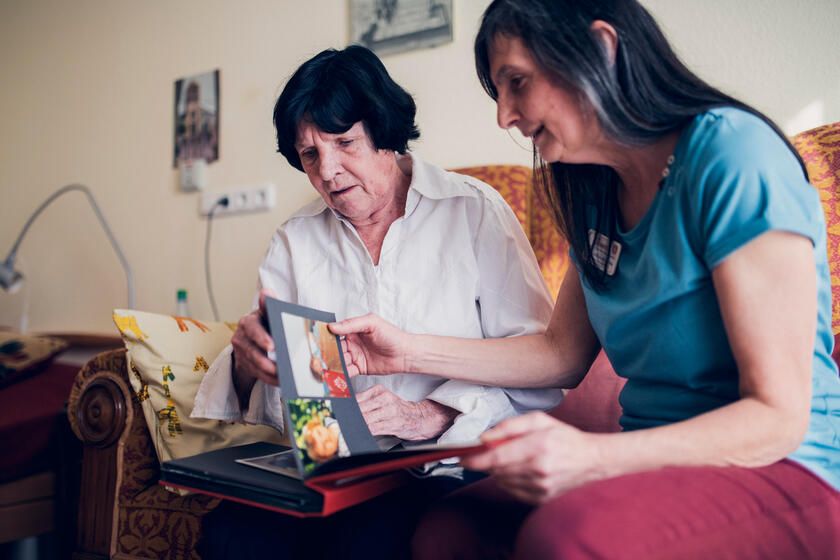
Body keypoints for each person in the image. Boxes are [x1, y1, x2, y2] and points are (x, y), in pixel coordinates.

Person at [331, 1, 840, 558]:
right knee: (450, 524)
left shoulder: (734, 155)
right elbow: (560, 354)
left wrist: (592, 458)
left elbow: (778, 416)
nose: (504, 116)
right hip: (650, 458)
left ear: (602, 47)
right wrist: (404, 352)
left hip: (781, 464)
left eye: (517, 83)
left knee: (567, 535)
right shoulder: (591, 189)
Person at [191, 44, 562, 559]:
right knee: (230, 535)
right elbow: (279, 393)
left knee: (370, 540)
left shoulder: (473, 212)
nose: (328, 171)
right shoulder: (296, 240)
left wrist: (427, 415)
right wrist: (249, 362)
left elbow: (540, 365)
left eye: (345, 142)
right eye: (309, 154)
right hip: (330, 468)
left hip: (440, 465)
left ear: (385, 132)